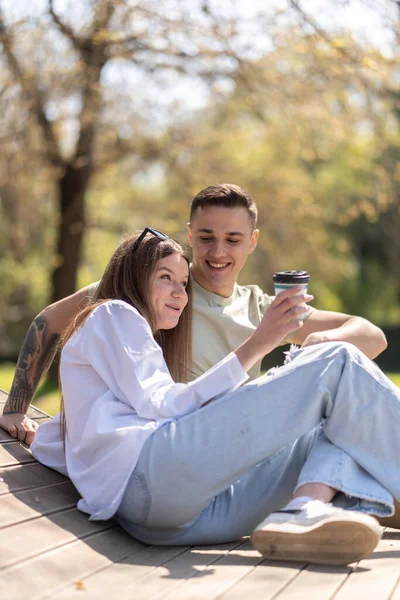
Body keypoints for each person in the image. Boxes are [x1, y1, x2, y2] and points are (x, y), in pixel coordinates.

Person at [28, 227, 400, 566]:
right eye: (165, 278)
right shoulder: (114, 312)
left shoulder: (124, 341)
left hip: (161, 520)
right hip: (155, 477)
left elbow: (79, 433)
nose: (179, 292)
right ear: (134, 277)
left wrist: (28, 428)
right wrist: (259, 344)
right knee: (337, 358)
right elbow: (163, 405)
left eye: (183, 283)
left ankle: (306, 509)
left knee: (332, 426)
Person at [0, 184, 387, 446]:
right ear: (189, 234)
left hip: (237, 445)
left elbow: (371, 335)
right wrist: (16, 408)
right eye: (206, 237)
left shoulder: (262, 308)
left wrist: (321, 340)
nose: (218, 252)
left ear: (252, 241)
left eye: (233, 239)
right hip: (169, 446)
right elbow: (49, 321)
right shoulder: (156, 287)